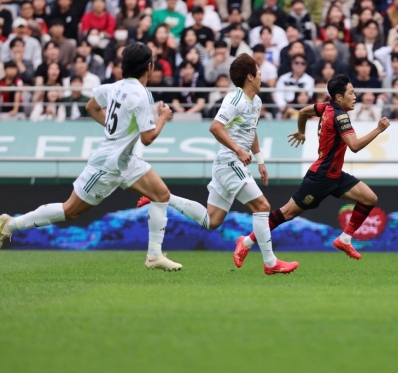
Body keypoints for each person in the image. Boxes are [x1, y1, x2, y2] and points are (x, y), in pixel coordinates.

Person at [0, 43, 183, 271]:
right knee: (71, 211)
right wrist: (163, 118)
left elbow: (91, 106)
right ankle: (10, 224)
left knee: (161, 194)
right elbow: (147, 138)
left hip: (124, 159)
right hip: (108, 164)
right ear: (150, 67)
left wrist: (117, 131)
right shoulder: (142, 95)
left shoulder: (115, 87)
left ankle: (154, 255)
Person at [137, 53, 299, 275]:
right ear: (250, 76)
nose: (262, 76)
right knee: (262, 207)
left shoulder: (257, 101)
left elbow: (250, 131)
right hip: (230, 163)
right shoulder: (235, 100)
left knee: (211, 221)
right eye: (259, 72)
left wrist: (260, 161)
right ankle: (270, 263)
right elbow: (215, 127)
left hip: (231, 164)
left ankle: (163, 197)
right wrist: (238, 150)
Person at [232, 74, 390, 266]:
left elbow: (304, 112)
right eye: (352, 92)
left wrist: (301, 131)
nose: (355, 96)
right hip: (320, 177)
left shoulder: (327, 106)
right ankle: (246, 241)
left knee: (369, 198)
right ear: (339, 97)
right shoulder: (340, 116)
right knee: (286, 214)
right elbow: (354, 146)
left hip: (335, 175)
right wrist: (378, 130)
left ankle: (345, 238)